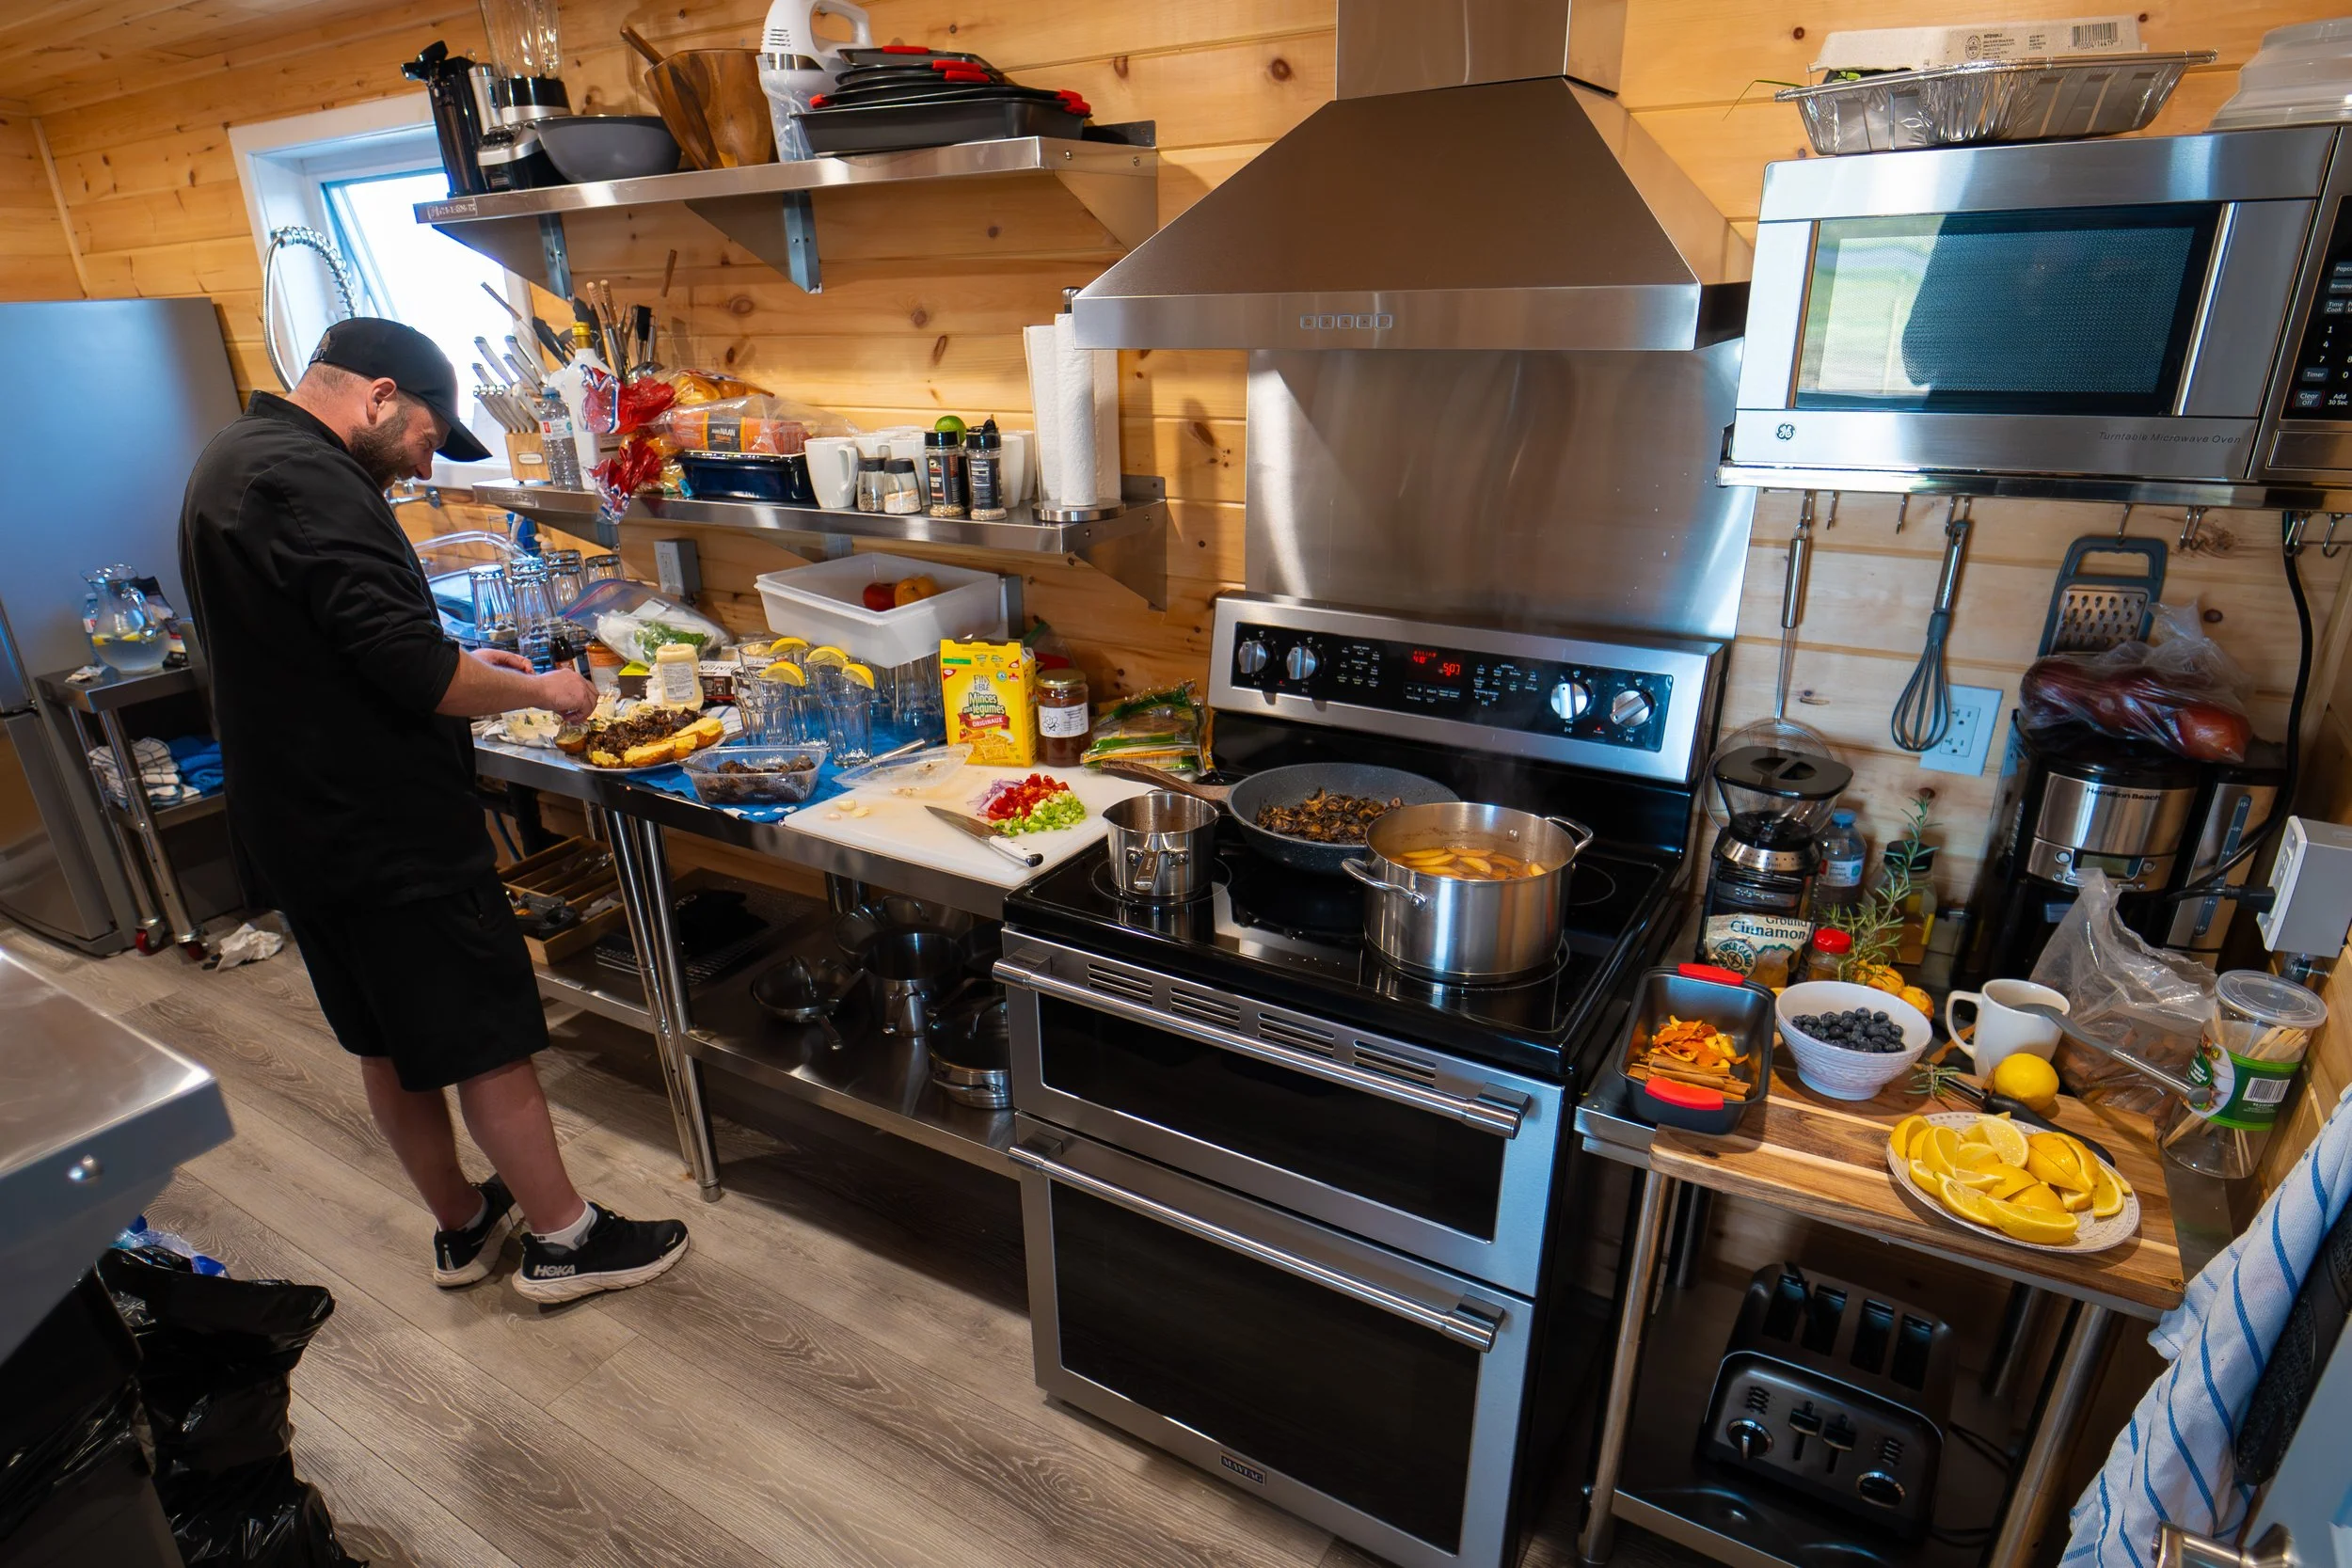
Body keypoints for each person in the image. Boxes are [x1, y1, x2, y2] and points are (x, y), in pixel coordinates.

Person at [178, 319, 688, 1305]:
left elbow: (344, 644)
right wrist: (546, 692)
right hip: (386, 829)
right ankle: (565, 1240)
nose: (421, 463)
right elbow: (413, 669)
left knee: (387, 1038)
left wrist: (471, 667)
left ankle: (462, 1221)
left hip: (296, 820)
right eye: (424, 436)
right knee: (482, 1032)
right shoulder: (321, 484)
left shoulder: (235, 455)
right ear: (377, 397)